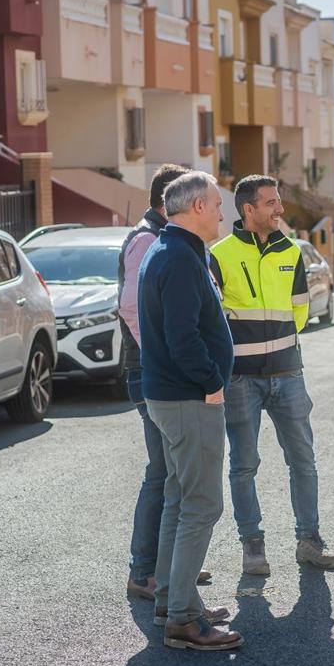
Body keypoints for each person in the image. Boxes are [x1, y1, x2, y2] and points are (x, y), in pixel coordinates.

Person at [208, 174, 334, 575]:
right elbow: (213, 319)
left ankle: (310, 541)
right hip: (240, 379)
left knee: (303, 460)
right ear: (248, 210)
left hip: (288, 372)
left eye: (279, 201)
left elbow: (300, 310)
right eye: (271, 203)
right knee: (244, 464)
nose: (280, 209)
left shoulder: (291, 252)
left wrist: (279, 345)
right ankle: (253, 547)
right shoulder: (219, 255)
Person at [137, 171, 241, 652]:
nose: (224, 213)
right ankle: (182, 618)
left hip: (172, 396)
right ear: (197, 206)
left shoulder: (171, 248)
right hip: (187, 398)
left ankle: (173, 601)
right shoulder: (177, 256)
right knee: (202, 504)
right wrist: (212, 383)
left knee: (181, 499)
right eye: (218, 204)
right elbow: (183, 337)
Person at [119, 164, 214, 600]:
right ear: (167, 202)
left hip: (161, 370)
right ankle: (146, 574)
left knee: (171, 475)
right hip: (154, 372)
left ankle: (173, 569)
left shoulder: (166, 240)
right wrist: (166, 361)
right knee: (163, 475)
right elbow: (133, 310)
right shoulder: (148, 240)